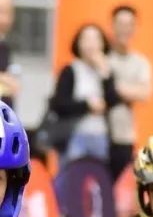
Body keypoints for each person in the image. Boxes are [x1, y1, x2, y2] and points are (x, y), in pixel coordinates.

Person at [49, 23, 120, 165]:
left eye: (95, 39)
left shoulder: (105, 70)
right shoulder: (70, 70)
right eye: (86, 39)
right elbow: (59, 104)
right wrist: (87, 105)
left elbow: (113, 101)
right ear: (78, 43)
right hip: (74, 136)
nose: (91, 44)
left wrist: (105, 74)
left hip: (100, 136)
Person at [108, 5, 153, 181]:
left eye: (129, 24)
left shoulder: (140, 62)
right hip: (101, 135)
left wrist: (113, 86)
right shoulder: (103, 57)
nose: (124, 29)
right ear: (112, 26)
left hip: (124, 135)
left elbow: (145, 94)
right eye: (120, 24)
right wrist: (129, 90)